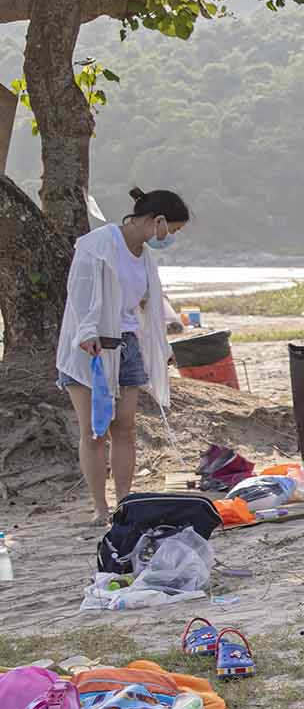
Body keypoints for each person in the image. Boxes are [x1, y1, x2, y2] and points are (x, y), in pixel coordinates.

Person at [54, 187, 186, 527]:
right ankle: (100, 508)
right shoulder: (97, 243)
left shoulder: (144, 255)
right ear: (156, 221)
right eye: (170, 230)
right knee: (95, 429)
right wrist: (86, 333)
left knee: (124, 428)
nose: (168, 238)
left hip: (127, 344)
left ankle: (125, 503)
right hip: (91, 348)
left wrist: (162, 348)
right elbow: (80, 291)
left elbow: (147, 304)